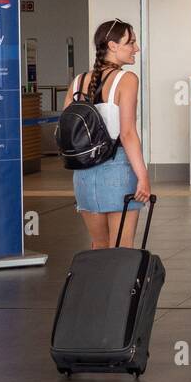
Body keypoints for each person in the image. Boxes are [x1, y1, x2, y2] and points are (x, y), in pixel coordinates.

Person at [70, 19, 151, 249]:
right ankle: (120, 287)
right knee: (122, 248)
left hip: (84, 175)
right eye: (131, 42)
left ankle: (96, 286)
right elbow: (127, 133)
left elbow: (65, 130)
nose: (136, 48)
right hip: (118, 170)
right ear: (113, 46)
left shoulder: (78, 82)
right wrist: (143, 176)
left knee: (99, 245)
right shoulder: (126, 80)